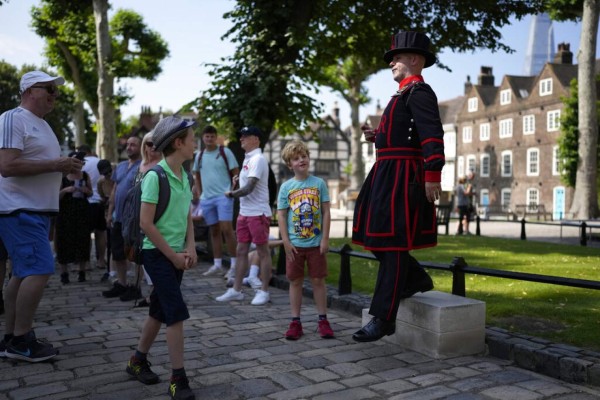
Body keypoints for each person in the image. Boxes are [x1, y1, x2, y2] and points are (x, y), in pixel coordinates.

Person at [351, 31, 444, 342]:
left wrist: (433, 175)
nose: (391, 61)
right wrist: (377, 135)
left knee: (391, 243)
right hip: (387, 174)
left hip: (403, 177)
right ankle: (415, 277)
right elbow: (406, 133)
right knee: (374, 236)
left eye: (398, 57)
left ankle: (383, 317)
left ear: (414, 60)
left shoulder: (419, 92)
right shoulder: (403, 95)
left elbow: (432, 134)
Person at [0, 70, 83, 362]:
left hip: (35, 209)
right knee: (40, 268)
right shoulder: (13, 118)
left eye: (55, 91)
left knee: (23, 273)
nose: (53, 95)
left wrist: (65, 167)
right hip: (20, 208)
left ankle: (12, 337)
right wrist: (55, 163)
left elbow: (40, 164)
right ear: (28, 90)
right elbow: (7, 166)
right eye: (47, 88)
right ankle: (21, 340)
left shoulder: (43, 125)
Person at [126, 115, 197, 400]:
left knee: (159, 309)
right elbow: (146, 224)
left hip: (177, 253)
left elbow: (187, 215)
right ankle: (178, 379)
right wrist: (174, 257)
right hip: (157, 254)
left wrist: (190, 248)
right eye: (192, 139)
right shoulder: (155, 176)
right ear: (178, 143)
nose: (195, 143)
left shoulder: (185, 176)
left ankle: (137, 361)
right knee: (175, 311)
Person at [277, 141, 334, 340]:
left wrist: (325, 238)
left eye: (304, 156)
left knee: (318, 280)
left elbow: (326, 212)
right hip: (295, 245)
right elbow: (282, 215)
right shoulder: (286, 187)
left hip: (315, 244)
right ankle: (295, 322)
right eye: (296, 158)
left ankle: (323, 320)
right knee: (295, 281)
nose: (301, 160)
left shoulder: (319, 184)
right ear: (289, 164)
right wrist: (285, 241)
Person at [216, 126, 272, 306]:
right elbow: (244, 185)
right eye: (241, 136)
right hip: (245, 212)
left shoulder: (258, 159)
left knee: (262, 251)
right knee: (241, 251)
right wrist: (236, 183)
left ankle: (264, 291)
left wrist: (231, 194)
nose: (241, 138)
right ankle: (236, 290)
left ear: (256, 139)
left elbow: (250, 188)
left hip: (258, 213)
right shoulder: (248, 159)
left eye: (245, 136)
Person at [191, 126, 239, 282]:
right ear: (203, 138)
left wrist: (232, 190)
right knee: (214, 230)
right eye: (207, 136)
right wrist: (200, 193)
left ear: (216, 137)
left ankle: (234, 265)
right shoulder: (199, 155)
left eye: (212, 136)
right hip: (207, 198)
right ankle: (217, 264)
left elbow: (236, 173)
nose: (209, 139)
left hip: (223, 196)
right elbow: (196, 176)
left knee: (227, 229)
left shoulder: (225, 152)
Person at [124, 131, 163, 304]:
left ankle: (157, 292)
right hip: (135, 215)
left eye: (156, 143)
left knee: (154, 254)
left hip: (155, 216)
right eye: (149, 143)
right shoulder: (140, 166)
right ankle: (144, 289)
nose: (152, 147)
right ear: (144, 146)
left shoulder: (163, 165)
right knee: (140, 255)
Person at [102, 136, 142, 298]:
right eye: (128, 144)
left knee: (135, 253)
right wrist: (110, 211)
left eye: (133, 144)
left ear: (140, 147)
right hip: (118, 216)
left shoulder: (143, 167)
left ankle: (136, 286)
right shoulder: (121, 166)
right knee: (117, 252)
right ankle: (122, 283)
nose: (129, 147)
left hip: (133, 218)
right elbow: (115, 190)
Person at [55, 151, 93, 283]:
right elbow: (55, 196)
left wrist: (86, 191)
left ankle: (82, 272)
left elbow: (91, 192)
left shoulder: (85, 175)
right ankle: (64, 273)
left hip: (81, 212)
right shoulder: (62, 177)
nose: (80, 165)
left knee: (82, 240)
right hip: (65, 213)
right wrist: (65, 191)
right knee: (63, 241)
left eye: (81, 163)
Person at [77, 144, 108, 271]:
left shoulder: (80, 163)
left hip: (85, 201)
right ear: (90, 151)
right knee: (100, 232)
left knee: (86, 234)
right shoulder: (99, 161)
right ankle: (101, 260)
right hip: (99, 201)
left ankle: (87, 262)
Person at [96, 159, 115, 282]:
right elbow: (101, 196)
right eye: (105, 173)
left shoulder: (117, 177)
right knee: (109, 240)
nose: (108, 175)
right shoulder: (101, 182)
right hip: (107, 210)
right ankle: (110, 267)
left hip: (119, 209)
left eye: (109, 172)